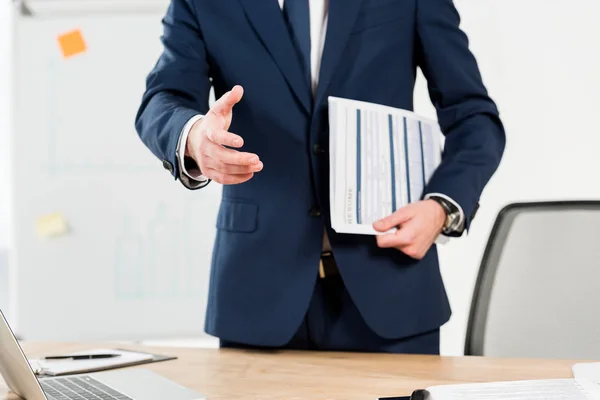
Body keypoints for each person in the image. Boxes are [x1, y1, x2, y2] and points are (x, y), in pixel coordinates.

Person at [135, 0, 505, 354]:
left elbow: (474, 118)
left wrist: (441, 207)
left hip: (392, 285)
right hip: (257, 293)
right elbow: (162, 98)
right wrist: (193, 136)